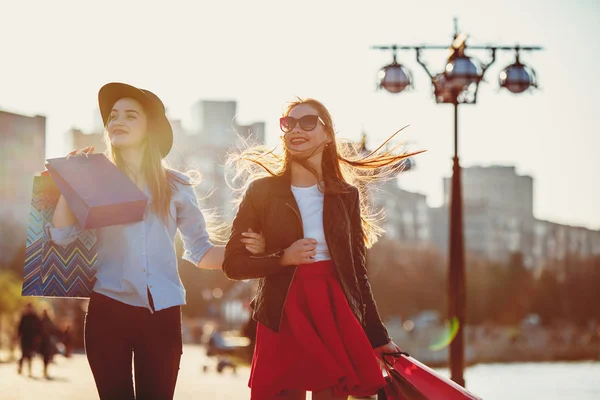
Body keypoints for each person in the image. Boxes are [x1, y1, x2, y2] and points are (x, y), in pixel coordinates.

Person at [48, 82, 265, 400]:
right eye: (113, 115)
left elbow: (200, 250)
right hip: (108, 311)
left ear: (150, 128)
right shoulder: (96, 179)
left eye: (130, 115)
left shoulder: (176, 186)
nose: (117, 120)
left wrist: (252, 254)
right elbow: (61, 237)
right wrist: (70, 181)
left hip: (161, 313)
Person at [224, 98, 420, 399]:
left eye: (307, 122)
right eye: (288, 123)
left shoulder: (347, 196)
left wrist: (378, 337)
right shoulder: (261, 191)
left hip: (333, 306)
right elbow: (233, 264)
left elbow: (357, 274)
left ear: (328, 134)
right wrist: (283, 258)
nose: (295, 129)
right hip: (282, 309)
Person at [17, 303, 41, 377]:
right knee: (23, 354)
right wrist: (18, 336)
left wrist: (38, 336)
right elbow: (20, 327)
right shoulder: (24, 316)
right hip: (24, 338)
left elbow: (39, 328)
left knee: (30, 355)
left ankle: (29, 370)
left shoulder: (35, 317)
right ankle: (20, 367)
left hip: (32, 338)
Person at [39, 309, 58, 379]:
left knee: (45, 356)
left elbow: (53, 329)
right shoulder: (43, 321)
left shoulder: (44, 320)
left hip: (45, 340)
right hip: (45, 340)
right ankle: (45, 369)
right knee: (45, 356)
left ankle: (45, 369)